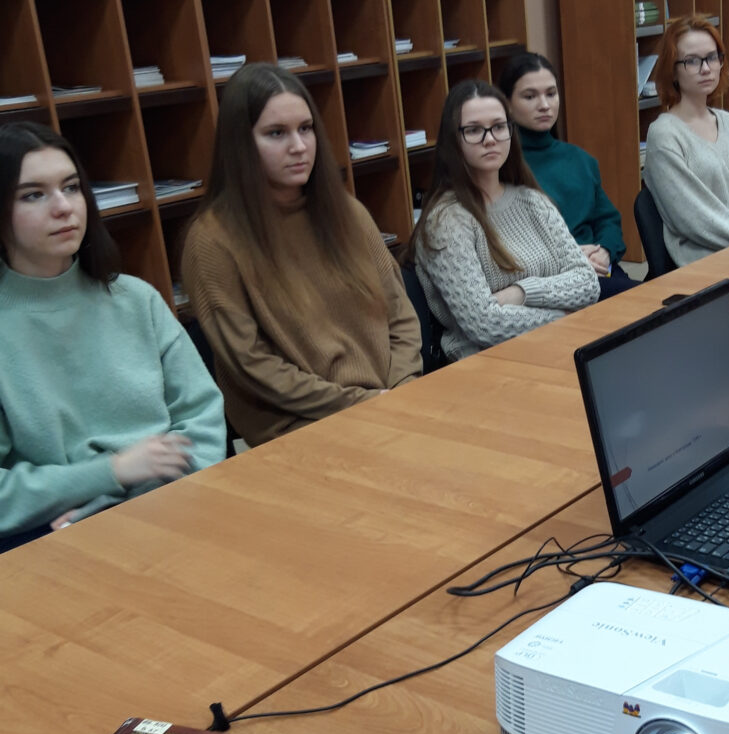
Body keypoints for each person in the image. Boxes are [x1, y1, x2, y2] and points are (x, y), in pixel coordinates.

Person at [0, 124, 225, 553]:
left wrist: (122, 498)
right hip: (57, 540)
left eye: (71, 187)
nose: (64, 207)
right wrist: (112, 472)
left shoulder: (137, 299)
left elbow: (203, 418)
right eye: (33, 195)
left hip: (177, 502)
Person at [182, 64, 422, 446]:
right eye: (276, 133)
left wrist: (403, 387)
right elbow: (251, 365)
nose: (298, 146)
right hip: (300, 426)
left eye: (306, 128)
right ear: (240, 143)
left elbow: (400, 313)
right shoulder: (212, 241)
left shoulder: (347, 212)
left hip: (387, 400)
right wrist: (361, 404)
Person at [411, 80, 599, 361]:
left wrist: (520, 293)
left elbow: (588, 282)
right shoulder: (447, 221)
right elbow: (484, 324)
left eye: (499, 126)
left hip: (559, 346)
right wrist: (564, 315)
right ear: (453, 140)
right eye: (474, 130)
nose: (490, 139)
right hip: (490, 362)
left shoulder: (532, 200)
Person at [642, 15, 729, 263]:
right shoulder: (664, 134)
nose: (706, 68)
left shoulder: (728, 122)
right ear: (672, 70)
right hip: (713, 260)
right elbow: (693, 217)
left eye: (712, 57)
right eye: (692, 61)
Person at [498, 52, 636, 298]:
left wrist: (605, 251)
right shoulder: (501, 166)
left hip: (600, 269)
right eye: (530, 96)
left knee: (660, 304)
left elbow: (608, 220)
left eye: (551, 94)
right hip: (552, 280)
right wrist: (573, 259)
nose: (544, 105)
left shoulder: (580, 160)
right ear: (506, 104)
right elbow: (512, 244)